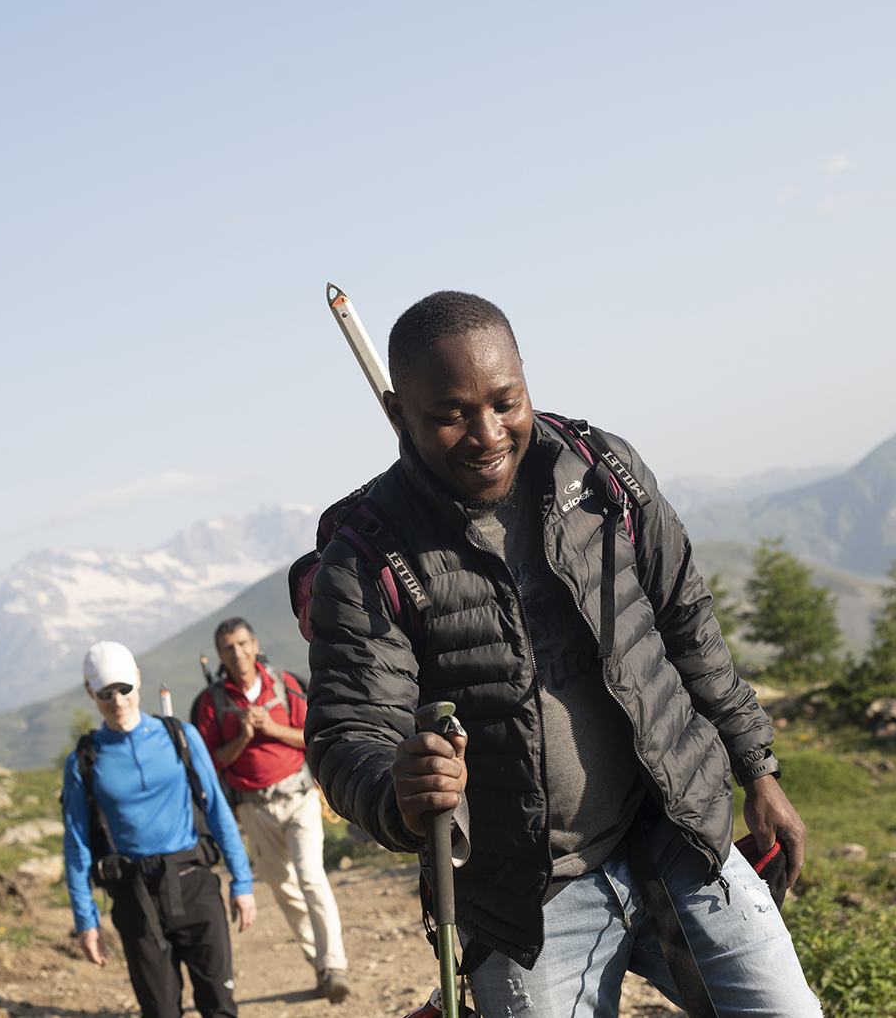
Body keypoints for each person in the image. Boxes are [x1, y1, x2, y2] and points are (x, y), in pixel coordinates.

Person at [304, 292, 821, 1017]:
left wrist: (756, 766)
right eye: (450, 413)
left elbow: (685, 622)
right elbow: (346, 732)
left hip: (675, 832)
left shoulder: (601, 474)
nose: (487, 433)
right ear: (398, 415)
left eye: (505, 401)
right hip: (524, 902)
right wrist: (399, 790)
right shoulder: (368, 558)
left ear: (525, 382)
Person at [62, 640, 258, 1018]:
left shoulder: (179, 736)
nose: (117, 700)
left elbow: (216, 808)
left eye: (123, 689)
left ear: (137, 679)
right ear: (90, 692)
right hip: (135, 899)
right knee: (160, 1012)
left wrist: (243, 883)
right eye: (105, 693)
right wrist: (86, 921)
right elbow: (77, 845)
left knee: (220, 1007)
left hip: (195, 884)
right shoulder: (83, 761)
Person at [195, 618, 352, 1003]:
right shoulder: (211, 702)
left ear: (255, 643)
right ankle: (321, 966)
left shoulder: (285, 684)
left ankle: (334, 965)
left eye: (243, 643)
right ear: (220, 654)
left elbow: (312, 735)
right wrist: (243, 737)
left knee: (311, 877)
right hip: (253, 808)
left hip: (299, 798)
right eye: (229, 647)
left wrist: (269, 728)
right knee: (283, 888)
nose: (238, 652)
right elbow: (207, 760)